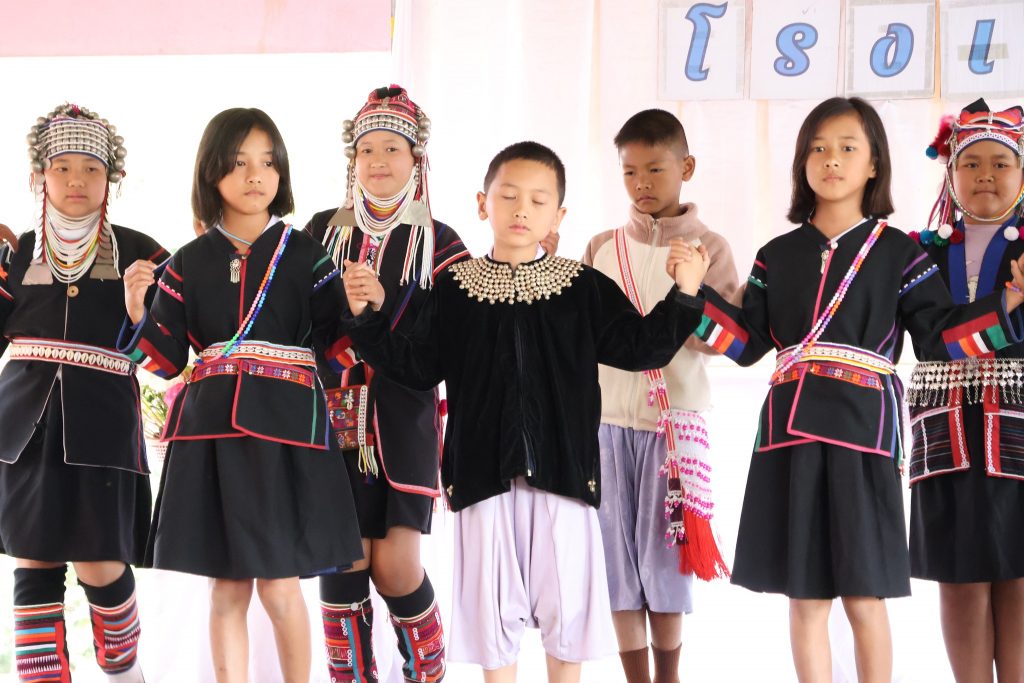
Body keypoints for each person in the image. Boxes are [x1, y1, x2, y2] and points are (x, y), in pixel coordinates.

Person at [341, 140, 709, 683]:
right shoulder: (453, 289)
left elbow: (640, 348)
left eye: (539, 201)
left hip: (564, 476)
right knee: (494, 622)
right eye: (508, 196)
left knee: (568, 616)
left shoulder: (581, 288)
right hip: (481, 477)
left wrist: (685, 294)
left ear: (558, 215)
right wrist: (366, 319)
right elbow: (417, 367)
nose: (521, 210)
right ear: (482, 203)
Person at [691, 97, 1024, 683]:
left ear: (874, 164)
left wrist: (1008, 305)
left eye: (848, 148)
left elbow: (939, 339)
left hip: (863, 433)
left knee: (866, 592)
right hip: (787, 435)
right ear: (801, 162)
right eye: (818, 148)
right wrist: (692, 297)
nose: (831, 159)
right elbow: (745, 345)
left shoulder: (901, 251)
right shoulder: (775, 255)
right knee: (804, 594)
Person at [119, 107, 363, 683]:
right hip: (211, 435)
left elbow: (338, 349)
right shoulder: (187, 261)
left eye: (268, 163)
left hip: (288, 434)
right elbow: (165, 360)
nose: (256, 175)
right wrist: (136, 310)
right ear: (212, 172)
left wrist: (357, 310)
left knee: (279, 585)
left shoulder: (307, 253)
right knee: (227, 587)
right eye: (239, 162)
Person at [306, 85, 469, 683]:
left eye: (392, 149)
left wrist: (377, 308)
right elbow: (302, 325)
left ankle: (427, 674)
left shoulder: (442, 243)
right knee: (343, 564)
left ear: (416, 159)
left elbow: (441, 347)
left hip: (404, 421)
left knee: (397, 569)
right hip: (333, 420)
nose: (378, 161)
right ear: (352, 159)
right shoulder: (322, 232)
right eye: (367, 149)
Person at [0, 103, 165, 683]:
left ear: (111, 178)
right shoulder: (14, 253)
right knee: (34, 562)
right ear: (39, 176)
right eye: (62, 167)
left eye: (91, 168)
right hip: (22, 431)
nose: (76, 180)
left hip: (103, 427)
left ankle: (123, 669)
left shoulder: (145, 254)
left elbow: (168, 359)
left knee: (101, 564)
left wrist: (140, 312)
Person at [581, 108, 738, 683]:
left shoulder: (710, 247)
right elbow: (581, 335)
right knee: (614, 561)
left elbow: (725, 343)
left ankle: (669, 675)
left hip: (672, 429)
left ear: (686, 168)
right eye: (629, 172)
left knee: (666, 562)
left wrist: (690, 293)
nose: (641, 183)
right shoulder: (601, 246)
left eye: (655, 169)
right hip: (604, 427)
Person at [907, 98, 1024, 683]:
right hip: (945, 428)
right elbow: (929, 340)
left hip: (1017, 425)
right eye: (970, 162)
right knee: (959, 575)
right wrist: (1008, 304)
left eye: (1001, 163)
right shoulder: (918, 249)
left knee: (1019, 572)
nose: (985, 174)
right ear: (949, 173)